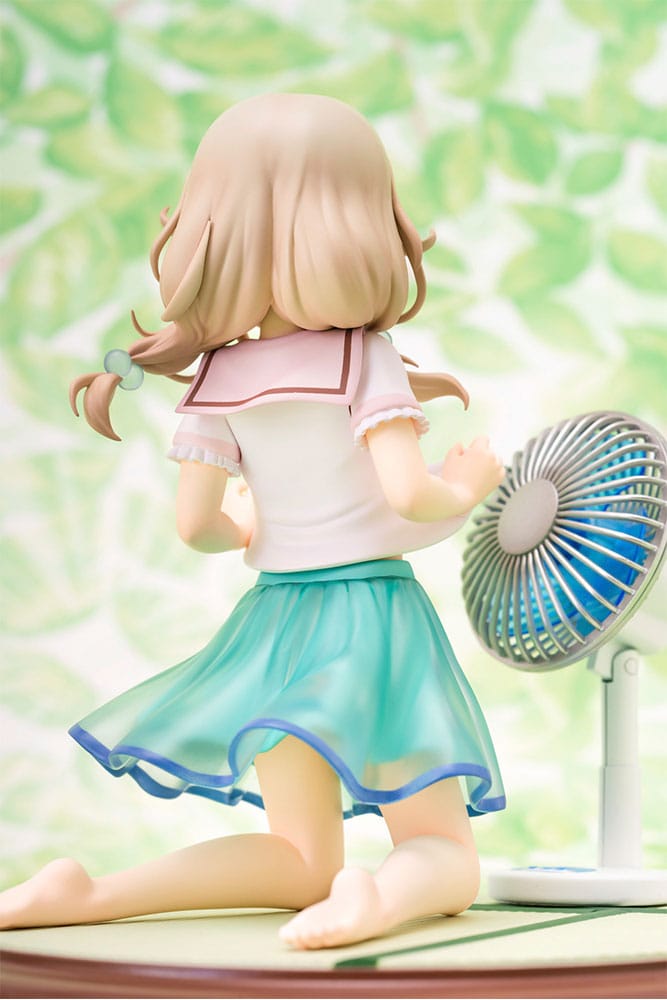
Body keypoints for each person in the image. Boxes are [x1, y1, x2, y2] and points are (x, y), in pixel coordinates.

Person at [0, 93, 505, 949]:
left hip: (273, 629)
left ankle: (93, 893)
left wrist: (247, 526)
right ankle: (376, 902)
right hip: (374, 623)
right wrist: (464, 484)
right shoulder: (361, 356)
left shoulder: (216, 379)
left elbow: (195, 526)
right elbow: (406, 497)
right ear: (359, 225)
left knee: (300, 857)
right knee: (443, 852)